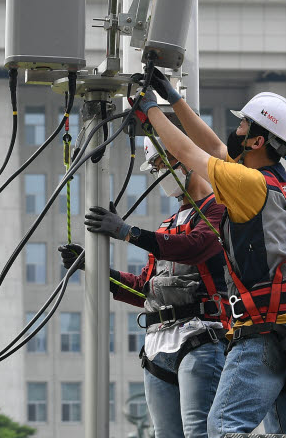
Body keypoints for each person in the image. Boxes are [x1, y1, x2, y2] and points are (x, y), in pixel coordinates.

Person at [136, 69, 286, 438]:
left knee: (222, 428)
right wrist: (172, 98)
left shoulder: (248, 183)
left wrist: (149, 114)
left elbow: (189, 153)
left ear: (257, 140)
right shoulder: (270, 179)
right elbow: (215, 149)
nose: (235, 133)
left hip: (265, 331)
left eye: (243, 127)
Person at [58, 137, 228, 438]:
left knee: (198, 432)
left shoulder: (218, 210)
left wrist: (126, 232)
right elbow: (144, 289)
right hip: (156, 346)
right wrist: (94, 267)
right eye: (156, 168)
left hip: (200, 338)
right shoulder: (167, 225)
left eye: (163, 165)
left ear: (187, 160)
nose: (160, 174)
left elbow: (193, 247)